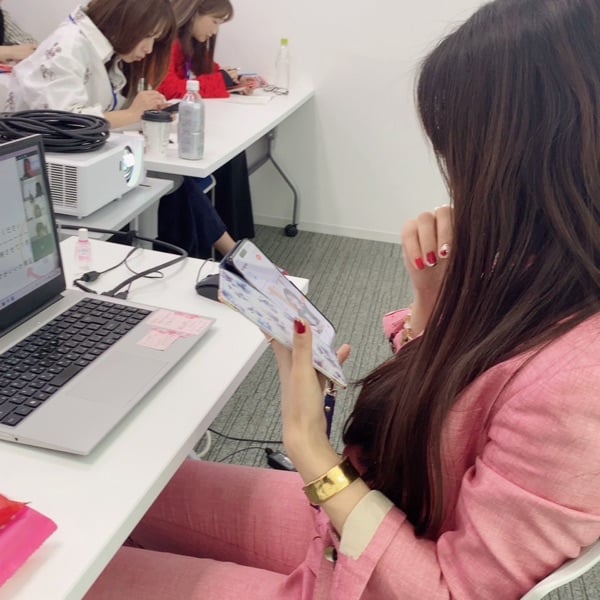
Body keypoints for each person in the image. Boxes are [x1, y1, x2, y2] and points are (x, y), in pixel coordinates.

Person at [85, 0, 600, 598]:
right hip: (381, 514)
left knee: (59, 577)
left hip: (374, 562)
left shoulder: (578, 383)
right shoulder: (546, 275)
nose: (458, 183)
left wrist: (310, 449)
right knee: (122, 491)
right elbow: (457, 411)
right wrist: (431, 306)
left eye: (463, 156)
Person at [5, 0, 237, 258]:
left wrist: (143, 115)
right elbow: (67, 124)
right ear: (127, 24)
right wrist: (132, 114)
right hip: (47, 170)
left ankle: (227, 255)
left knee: (175, 185)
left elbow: (95, 112)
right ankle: (230, 255)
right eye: (148, 37)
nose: (149, 48)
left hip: (75, 160)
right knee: (175, 187)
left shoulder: (98, 50)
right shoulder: (69, 47)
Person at [154, 0, 254, 258]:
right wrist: (222, 81)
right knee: (188, 177)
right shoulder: (167, 42)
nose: (215, 30)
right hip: (164, 128)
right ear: (194, 14)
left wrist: (234, 81)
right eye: (215, 21)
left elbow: (209, 72)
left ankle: (238, 243)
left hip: (181, 121)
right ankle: (234, 252)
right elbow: (170, 87)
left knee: (234, 153)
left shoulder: (192, 44)